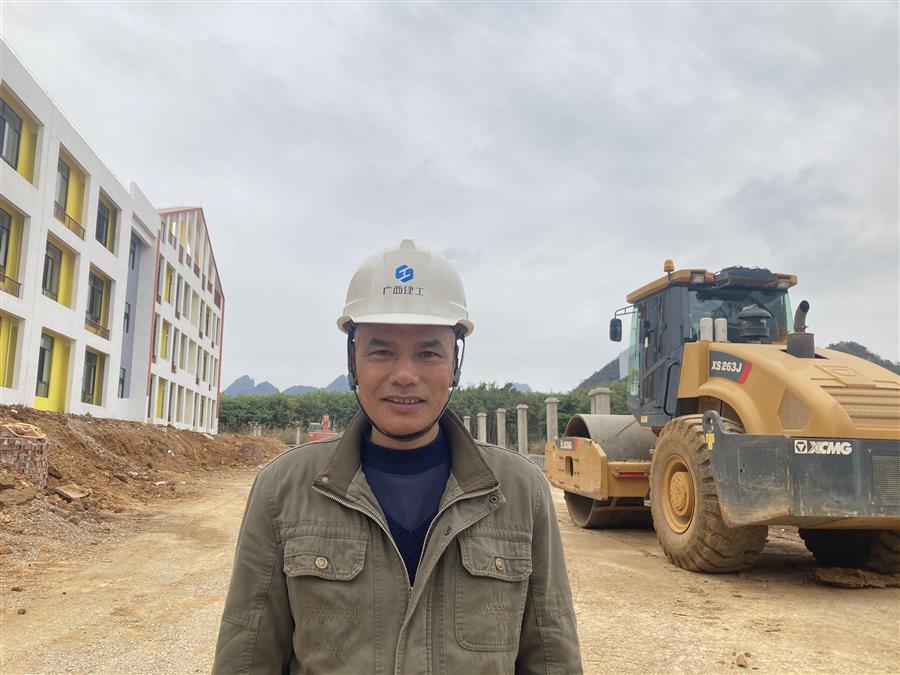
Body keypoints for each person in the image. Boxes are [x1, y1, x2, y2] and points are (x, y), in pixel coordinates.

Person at [213, 239, 581, 674]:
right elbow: (247, 657)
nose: (404, 375)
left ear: (455, 363)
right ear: (353, 361)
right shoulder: (283, 489)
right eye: (381, 351)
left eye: (428, 352)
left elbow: (552, 658)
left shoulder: (520, 491)